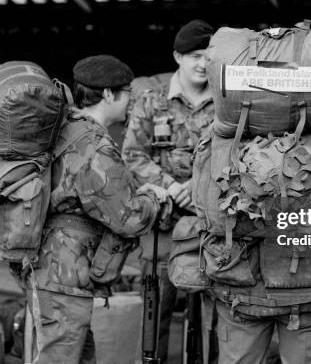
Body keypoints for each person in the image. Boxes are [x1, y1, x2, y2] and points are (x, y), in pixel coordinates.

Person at [24, 55, 169, 363]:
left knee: (76, 353)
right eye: (127, 91)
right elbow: (129, 218)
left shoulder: (68, 130)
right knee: (61, 356)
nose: (132, 98)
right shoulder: (94, 147)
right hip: (65, 274)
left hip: (52, 268)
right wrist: (154, 198)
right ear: (107, 94)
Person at [122, 19, 215, 363]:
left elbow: (235, 158)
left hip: (209, 227)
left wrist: (198, 185)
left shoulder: (226, 104)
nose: (203, 63)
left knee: (210, 317)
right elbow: (131, 154)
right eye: (195, 55)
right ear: (178, 56)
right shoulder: (151, 101)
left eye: (208, 55)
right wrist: (173, 187)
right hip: (162, 230)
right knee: (155, 312)